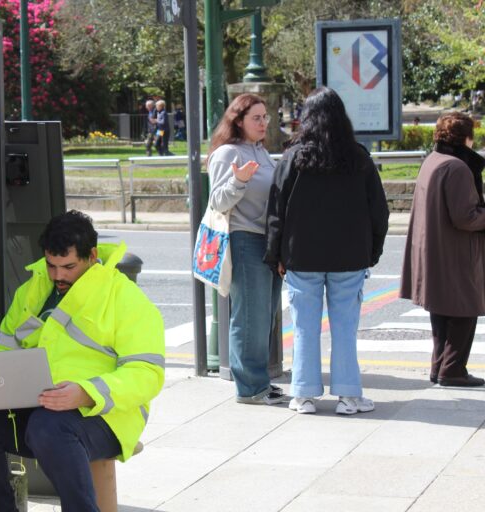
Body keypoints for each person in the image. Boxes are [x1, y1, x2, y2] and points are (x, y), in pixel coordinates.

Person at [0, 210, 165, 512]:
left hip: (106, 415)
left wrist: (85, 392)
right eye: (51, 265)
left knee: (48, 428)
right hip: (38, 409)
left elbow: (147, 374)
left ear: (92, 256)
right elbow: (3, 351)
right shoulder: (32, 291)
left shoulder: (126, 298)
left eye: (68, 266)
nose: (58, 275)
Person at [264, 87, 389, 415]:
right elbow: (379, 211)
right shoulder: (358, 157)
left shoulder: (294, 157)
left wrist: (275, 254)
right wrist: (372, 251)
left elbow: (276, 210)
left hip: (301, 255)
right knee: (345, 327)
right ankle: (348, 396)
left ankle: (303, 395)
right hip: (349, 255)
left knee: (304, 325)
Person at [207, 93, 283, 405]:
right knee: (250, 317)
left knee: (264, 315)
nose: (263, 122)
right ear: (238, 120)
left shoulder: (261, 151)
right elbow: (217, 202)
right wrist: (238, 182)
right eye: (256, 117)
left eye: (266, 117)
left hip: (268, 240)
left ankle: (258, 382)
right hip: (244, 239)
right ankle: (250, 388)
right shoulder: (228, 154)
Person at [400, 112, 485, 387]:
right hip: (455, 250)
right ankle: (453, 370)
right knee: (464, 309)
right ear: (466, 137)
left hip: (435, 247)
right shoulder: (457, 167)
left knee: (441, 311)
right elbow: (466, 217)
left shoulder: (433, 160)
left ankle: (440, 368)